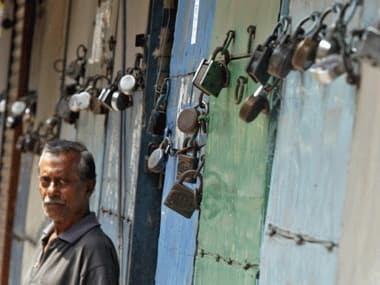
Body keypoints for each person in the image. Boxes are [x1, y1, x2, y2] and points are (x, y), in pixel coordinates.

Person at [25, 139, 119, 285]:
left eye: (62, 182)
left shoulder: (95, 250)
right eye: (45, 181)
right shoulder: (48, 237)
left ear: (88, 187)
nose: (51, 191)